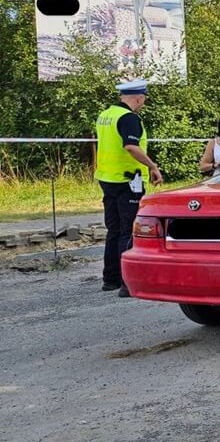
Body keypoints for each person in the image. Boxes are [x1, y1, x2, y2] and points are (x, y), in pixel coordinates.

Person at [95, 77, 164, 297]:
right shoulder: (129, 118)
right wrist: (153, 166)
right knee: (129, 230)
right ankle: (127, 282)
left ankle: (110, 279)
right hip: (128, 181)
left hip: (107, 178)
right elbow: (131, 147)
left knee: (113, 230)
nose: (143, 103)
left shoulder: (105, 115)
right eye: (143, 99)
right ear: (138, 98)